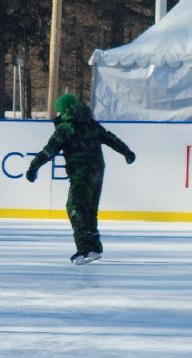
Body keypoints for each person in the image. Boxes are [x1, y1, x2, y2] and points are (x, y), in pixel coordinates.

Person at [25, 93, 135, 264]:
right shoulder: (90, 124)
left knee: (74, 208)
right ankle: (94, 248)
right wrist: (127, 152)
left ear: (63, 111)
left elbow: (49, 150)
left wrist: (33, 167)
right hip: (98, 170)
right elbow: (110, 138)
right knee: (90, 209)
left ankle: (83, 249)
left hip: (81, 173)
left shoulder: (66, 128)